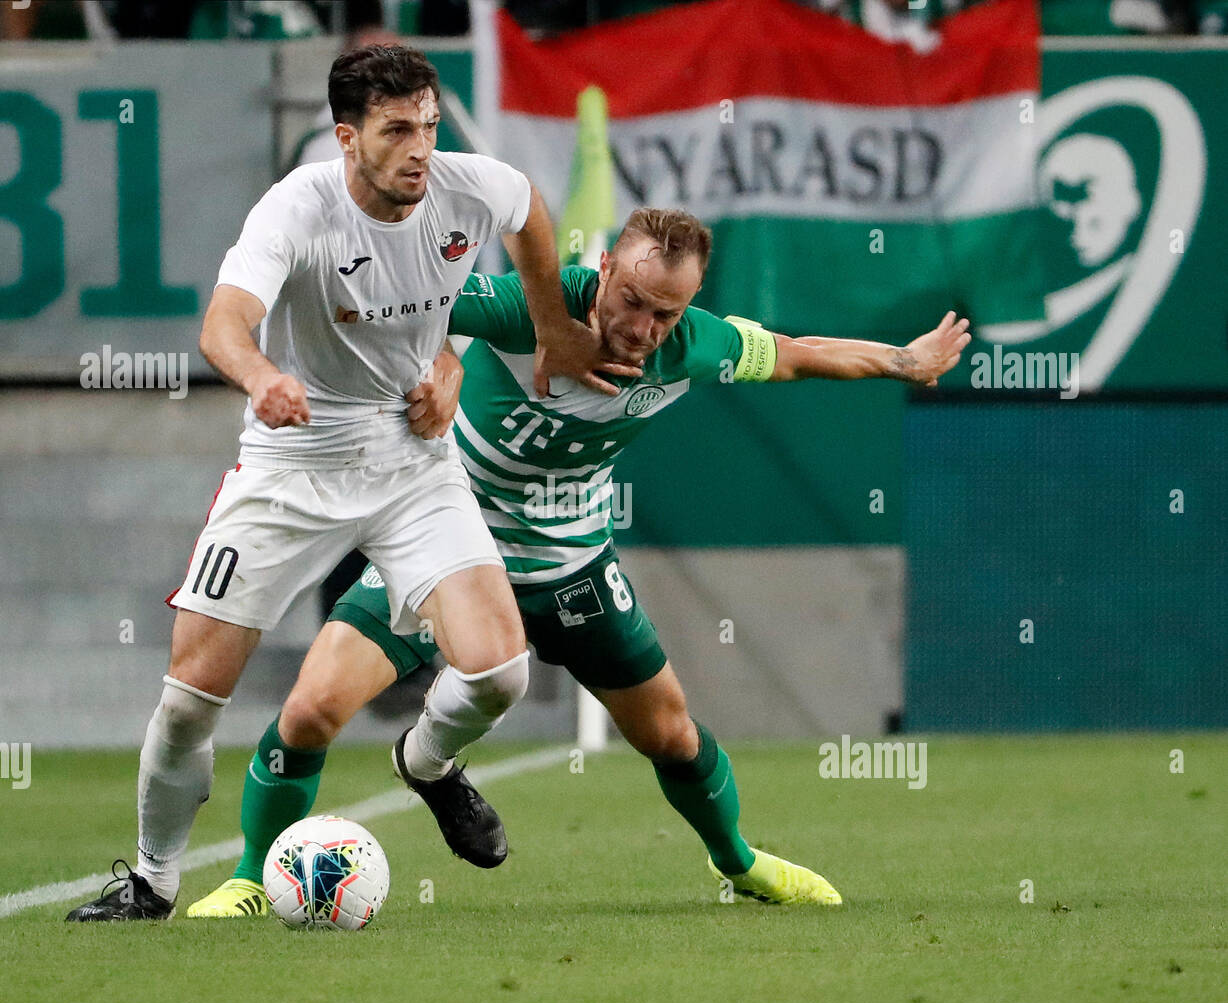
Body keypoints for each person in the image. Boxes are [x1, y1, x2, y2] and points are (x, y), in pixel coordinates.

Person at [188, 207, 971, 916]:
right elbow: (403, 304)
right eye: (632, 301)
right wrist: (437, 365)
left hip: (573, 564)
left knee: (672, 736)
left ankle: (738, 863)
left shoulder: (692, 345)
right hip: (449, 551)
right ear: (603, 273)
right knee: (311, 710)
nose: (643, 327)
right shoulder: (529, 305)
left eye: (666, 312)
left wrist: (905, 360)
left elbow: (799, 354)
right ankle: (253, 879)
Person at [66, 43, 620, 922]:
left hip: (411, 463)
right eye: (398, 130)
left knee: (501, 671)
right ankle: (152, 879)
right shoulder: (298, 208)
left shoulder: (466, 187)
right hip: (293, 465)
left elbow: (526, 208)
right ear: (346, 137)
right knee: (187, 701)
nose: (420, 149)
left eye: (429, 126)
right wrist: (261, 379)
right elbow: (225, 325)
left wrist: (549, 326)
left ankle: (428, 763)